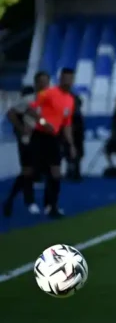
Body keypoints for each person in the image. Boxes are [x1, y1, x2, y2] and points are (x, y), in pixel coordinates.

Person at [28, 68, 78, 218]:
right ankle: (28, 201)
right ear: (60, 79)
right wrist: (43, 122)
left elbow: (67, 124)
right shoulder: (48, 93)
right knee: (31, 171)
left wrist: (71, 144)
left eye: (70, 79)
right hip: (39, 135)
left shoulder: (70, 100)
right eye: (65, 78)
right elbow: (31, 110)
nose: (67, 81)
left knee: (56, 172)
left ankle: (52, 206)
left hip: (54, 138)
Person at [3, 71, 50, 217]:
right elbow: (10, 113)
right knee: (28, 171)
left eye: (46, 82)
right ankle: (28, 201)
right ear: (36, 84)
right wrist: (21, 128)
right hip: (27, 139)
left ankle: (13, 200)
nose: (44, 85)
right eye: (41, 82)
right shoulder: (28, 100)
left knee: (32, 171)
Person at [65, 94, 85, 181]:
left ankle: (73, 172)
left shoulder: (76, 113)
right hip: (75, 136)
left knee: (74, 155)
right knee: (73, 154)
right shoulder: (75, 114)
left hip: (76, 136)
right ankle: (74, 173)